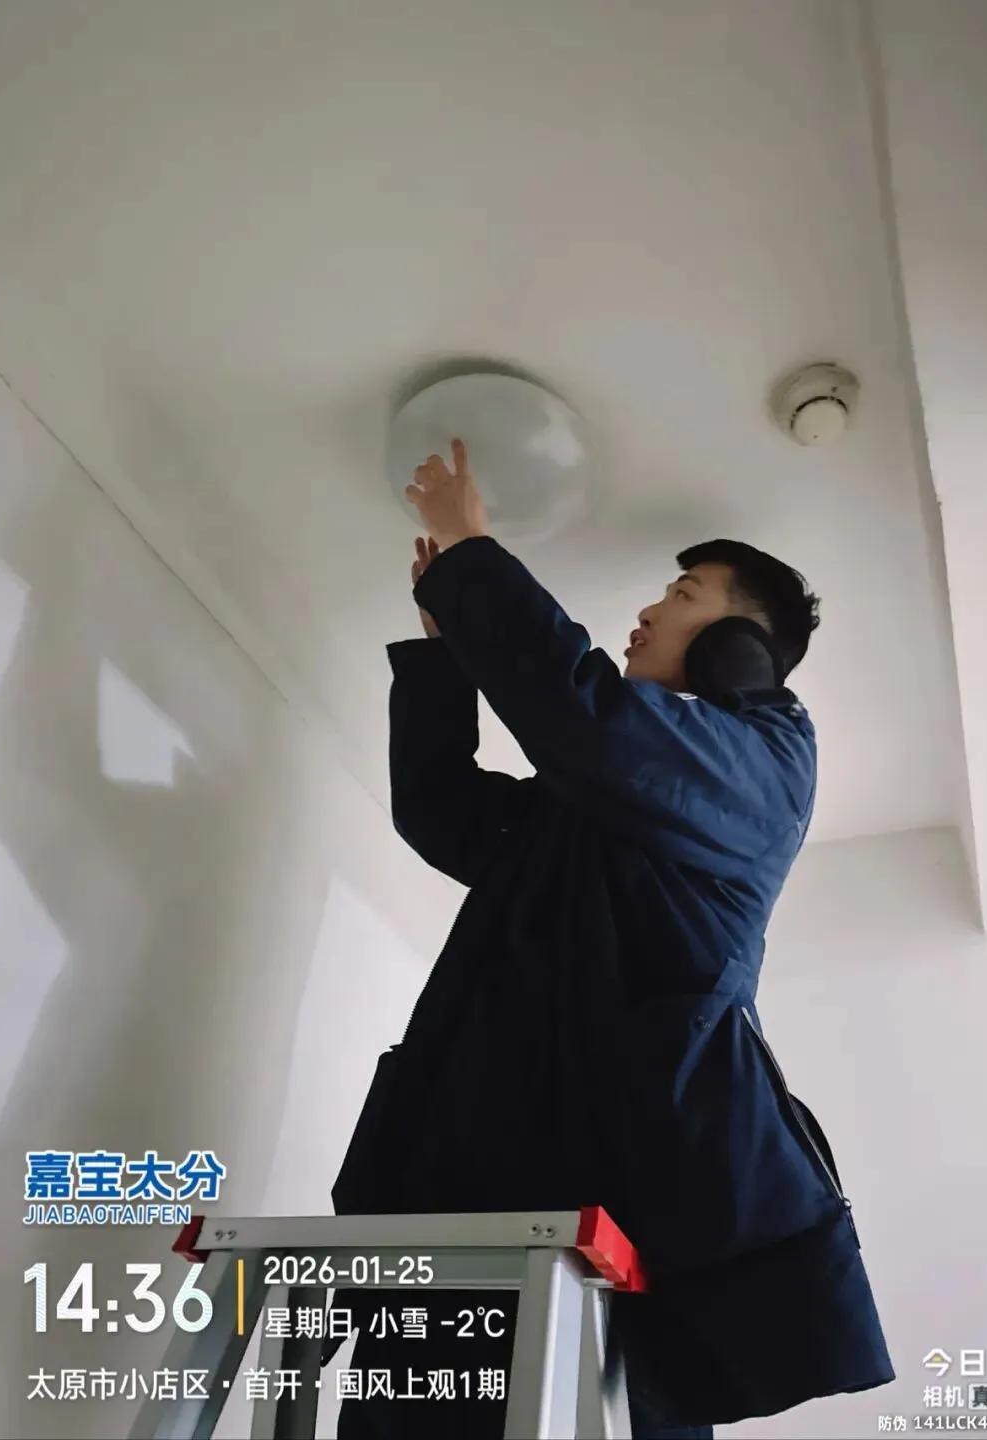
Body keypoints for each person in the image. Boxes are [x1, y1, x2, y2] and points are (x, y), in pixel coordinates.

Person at [330, 440, 894, 1438]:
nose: (648, 610)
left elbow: (586, 719)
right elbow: (444, 812)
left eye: (682, 594)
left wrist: (469, 551)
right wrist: (445, 657)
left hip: (629, 1215)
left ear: (737, 647)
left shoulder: (767, 763)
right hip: (471, 1179)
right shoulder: (590, 804)